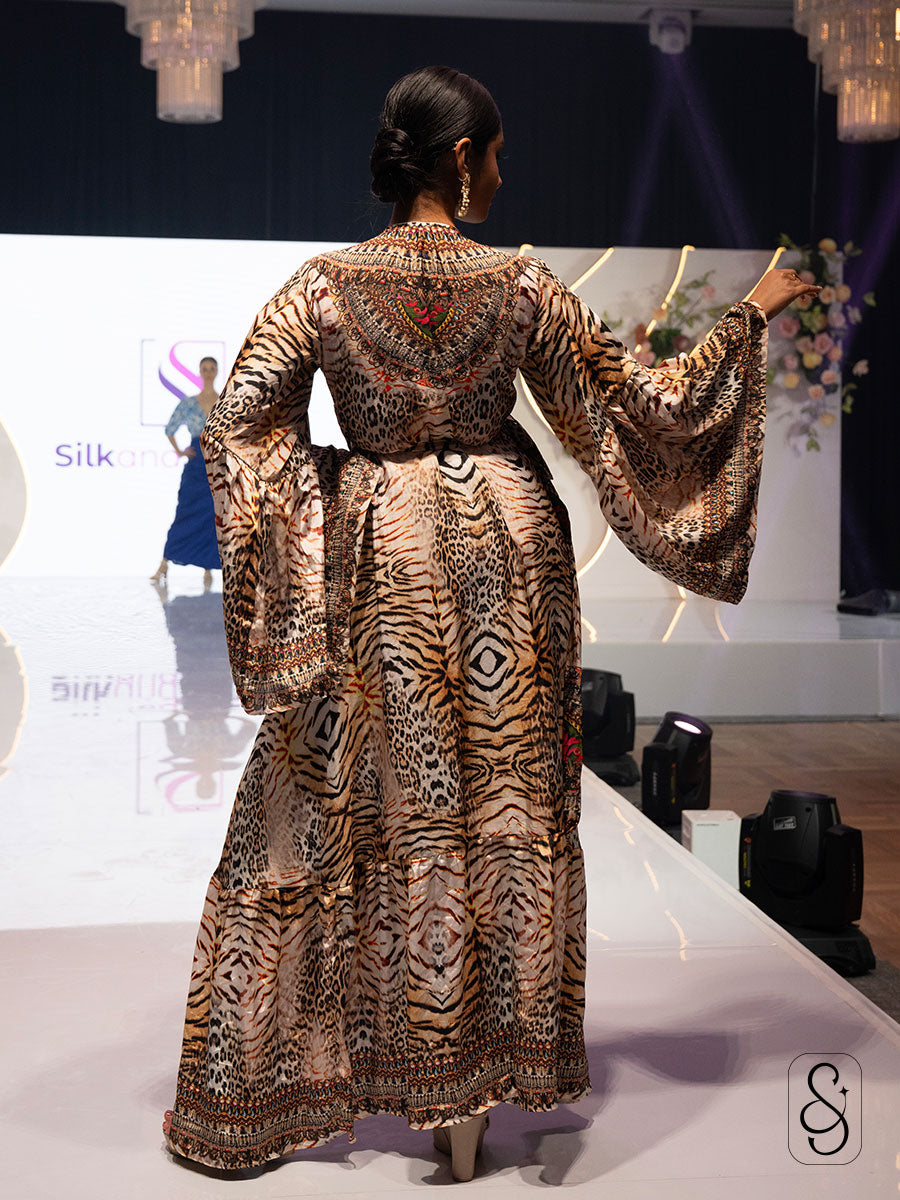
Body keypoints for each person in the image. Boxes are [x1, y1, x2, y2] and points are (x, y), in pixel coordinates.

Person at [161, 66, 821, 1181]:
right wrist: (757, 307)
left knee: (366, 804)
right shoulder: (518, 286)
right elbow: (636, 414)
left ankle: (365, 1070)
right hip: (511, 563)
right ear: (459, 160)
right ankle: (478, 1099)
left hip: (382, 569)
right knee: (499, 814)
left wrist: (339, 493)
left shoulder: (323, 286)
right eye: (498, 154)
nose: (506, 174)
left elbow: (237, 427)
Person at [150, 356, 222, 588]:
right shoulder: (189, 403)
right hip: (196, 466)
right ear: (199, 372)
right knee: (185, 512)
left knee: (214, 516)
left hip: (218, 465)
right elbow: (170, 428)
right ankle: (164, 564)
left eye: (212, 368)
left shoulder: (225, 401)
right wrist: (181, 451)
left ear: (217, 371)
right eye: (205, 369)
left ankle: (208, 568)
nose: (208, 372)